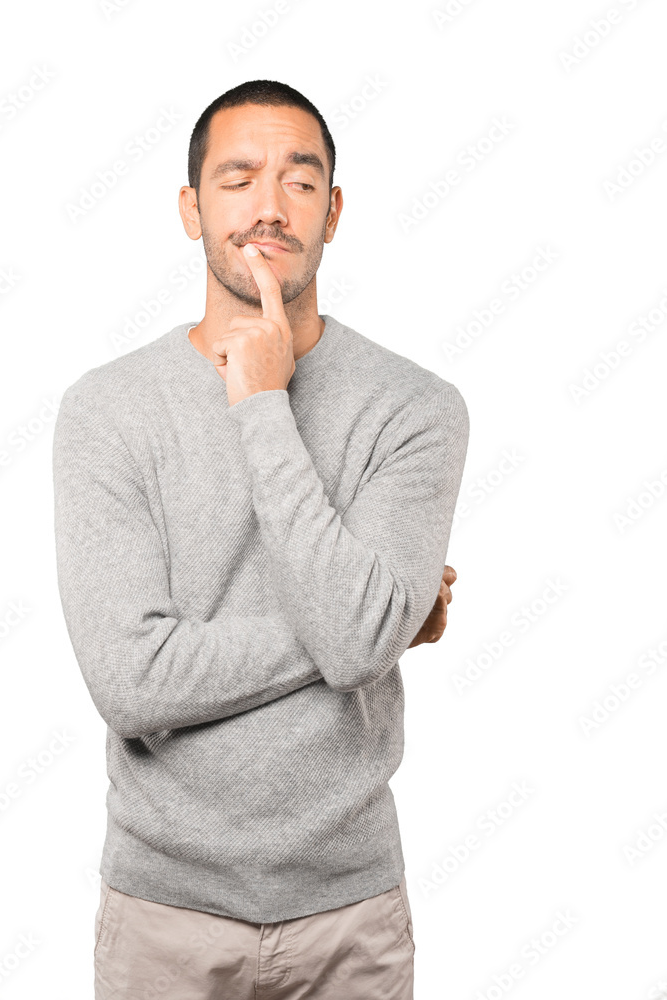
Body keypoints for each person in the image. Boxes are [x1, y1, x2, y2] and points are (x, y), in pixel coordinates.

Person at [53, 78, 470, 1000]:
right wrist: (379, 624)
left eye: (300, 181)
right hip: (163, 916)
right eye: (238, 179)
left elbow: (356, 639)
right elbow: (131, 682)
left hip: (351, 916)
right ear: (191, 209)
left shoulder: (415, 410)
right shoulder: (107, 411)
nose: (270, 206)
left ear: (334, 212)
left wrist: (260, 402)